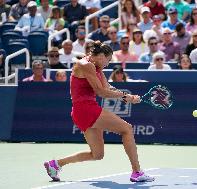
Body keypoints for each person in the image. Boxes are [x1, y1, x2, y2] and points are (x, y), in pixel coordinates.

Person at [44, 41, 155, 182]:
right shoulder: (86, 65)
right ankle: (137, 172)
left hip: (82, 112)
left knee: (97, 154)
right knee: (127, 129)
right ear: (101, 56)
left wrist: (129, 97)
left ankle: (56, 164)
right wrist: (123, 96)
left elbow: (108, 87)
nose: (108, 64)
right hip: (86, 109)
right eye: (108, 60)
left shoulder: (96, 67)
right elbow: (101, 92)